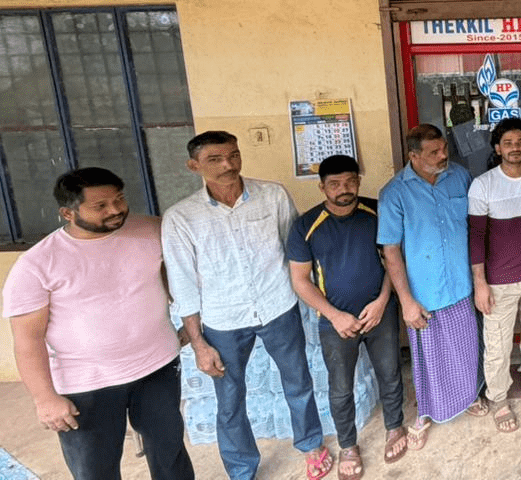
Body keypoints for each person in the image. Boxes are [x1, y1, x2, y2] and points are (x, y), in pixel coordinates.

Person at [4, 168, 194, 479]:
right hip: (86, 384)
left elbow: (179, 273)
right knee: (96, 470)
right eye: (100, 206)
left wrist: (191, 322)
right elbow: (28, 339)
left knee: (170, 454)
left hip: (158, 368)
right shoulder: (37, 264)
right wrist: (45, 398)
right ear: (68, 213)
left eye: (119, 199)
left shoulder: (150, 230)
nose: (115, 209)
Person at [163, 131, 331, 479]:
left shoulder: (273, 195)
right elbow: (182, 283)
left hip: (278, 307)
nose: (228, 165)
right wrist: (199, 343)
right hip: (223, 320)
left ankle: (311, 445)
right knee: (229, 399)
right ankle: (241, 469)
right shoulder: (181, 217)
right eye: (215, 159)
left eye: (233, 155)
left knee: (298, 383)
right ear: (193, 166)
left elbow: (295, 251)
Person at [286, 154, 408, 477]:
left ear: (359, 181)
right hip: (335, 322)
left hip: (380, 313)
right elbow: (300, 280)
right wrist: (335, 315)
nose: (344, 189)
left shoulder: (376, 212)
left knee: (390, 373)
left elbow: (393, 259)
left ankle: (394, 427)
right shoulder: (306, 226)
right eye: (335, 184)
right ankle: (348, 445)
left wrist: (382, 300)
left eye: (351, 181)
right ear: (322, 187)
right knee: (340, 387)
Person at [379, 124, 480, 445]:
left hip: (461, 284)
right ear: (414, 156)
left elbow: (476, 228)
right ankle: (427, 411)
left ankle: (470, 396)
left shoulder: (460, 177)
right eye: (434, 152)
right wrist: (406, 301)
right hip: (424, 291)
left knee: (467, 350)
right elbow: (391, 251)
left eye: (444, 148)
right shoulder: (394, 193)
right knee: (430, 360)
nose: (443, 155)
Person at [469, 118, 521, 433]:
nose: (515, 148)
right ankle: (498, 397)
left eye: (520, 142)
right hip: (497, 281)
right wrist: (480, 283)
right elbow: (476, 238)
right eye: (508, 143)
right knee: (497, 343)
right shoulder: (483, 185)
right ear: (497, 148)